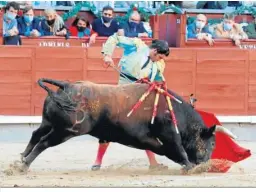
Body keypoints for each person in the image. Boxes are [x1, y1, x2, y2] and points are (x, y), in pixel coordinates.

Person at [91, 33, 170, 171]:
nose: (160, 60)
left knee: (145, 127)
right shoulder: (136, 45)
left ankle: (153, 163)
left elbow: (159, 79)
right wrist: (107, 55)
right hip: (123, 91)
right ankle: (97, 161)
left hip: (140, 95)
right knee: (110, 123)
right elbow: (114, 38)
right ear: (155, 51)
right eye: (160, 56)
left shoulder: (159, 63)